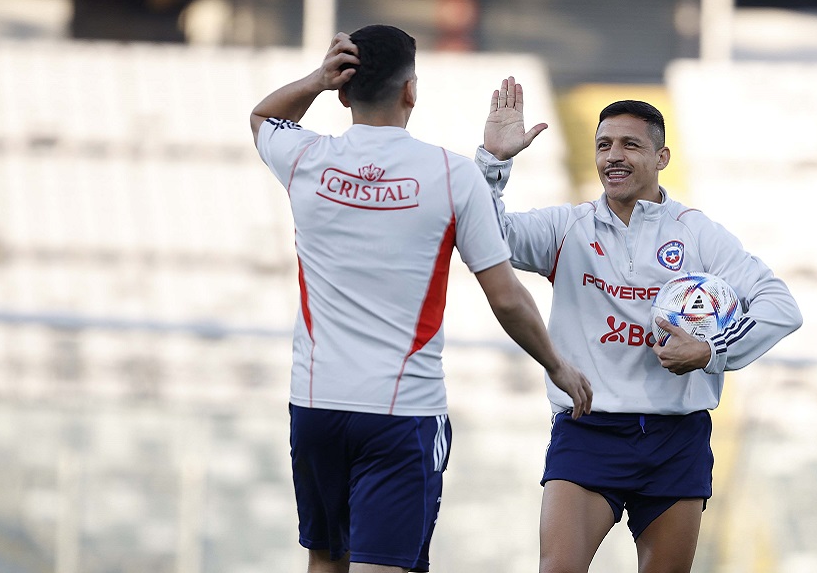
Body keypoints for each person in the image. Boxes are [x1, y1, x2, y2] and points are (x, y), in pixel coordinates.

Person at [249, 30, 593, 573]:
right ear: (411, 91)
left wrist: (315, 80)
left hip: (316, 404)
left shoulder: (305, 159)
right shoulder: (453, 174)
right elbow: (505, 297)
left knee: (325, 560)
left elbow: (263, 118)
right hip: (400, 411)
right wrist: (556, 364)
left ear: (343, 92)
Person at [476, 77, 803, 573]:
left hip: (676, 438)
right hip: (589, 432)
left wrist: (710, 351)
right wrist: (494, 163)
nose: (614, 156)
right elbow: (482, 234)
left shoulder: (697, 234)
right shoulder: (566, 229)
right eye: (604, 145)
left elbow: (781, 306)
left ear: (662, 157)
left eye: (631, 144)